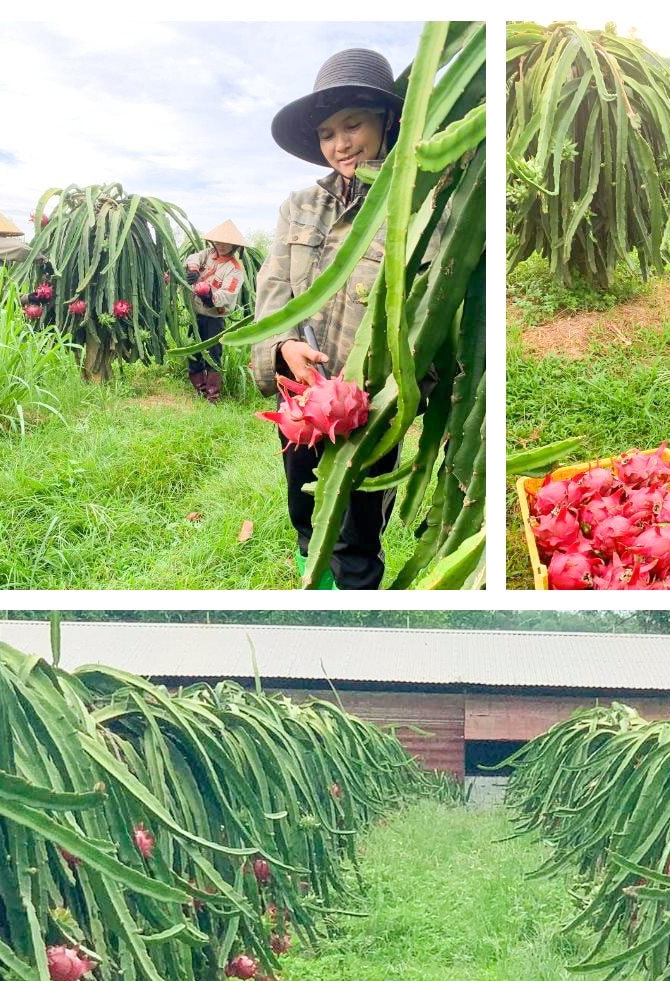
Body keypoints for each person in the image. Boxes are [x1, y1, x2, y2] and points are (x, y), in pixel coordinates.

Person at [251, 47, 404, 590]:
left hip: (373, 405)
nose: (340, 144)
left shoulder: (417, 201)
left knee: (358, 533)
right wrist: (283, 347)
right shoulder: (299, 206)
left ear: (387, 120)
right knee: (304, 511)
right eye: (327, 133)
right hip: (299, 395)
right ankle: (312, 581)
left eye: (353, 125)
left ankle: (359, 598)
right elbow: (271, 292)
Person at [184, 220, 248, 403]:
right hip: (196, 313)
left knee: (213, 354)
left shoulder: (234, 270)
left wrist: (210, 296)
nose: (220, 245)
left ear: (234, 246)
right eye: (217, 241)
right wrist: (194, 270)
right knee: (193, 350)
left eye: (225, 242)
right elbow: (193, 257)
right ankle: (199, 389)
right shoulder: (208, 255)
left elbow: (228, 294)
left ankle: (212, 395)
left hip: (214, 317)